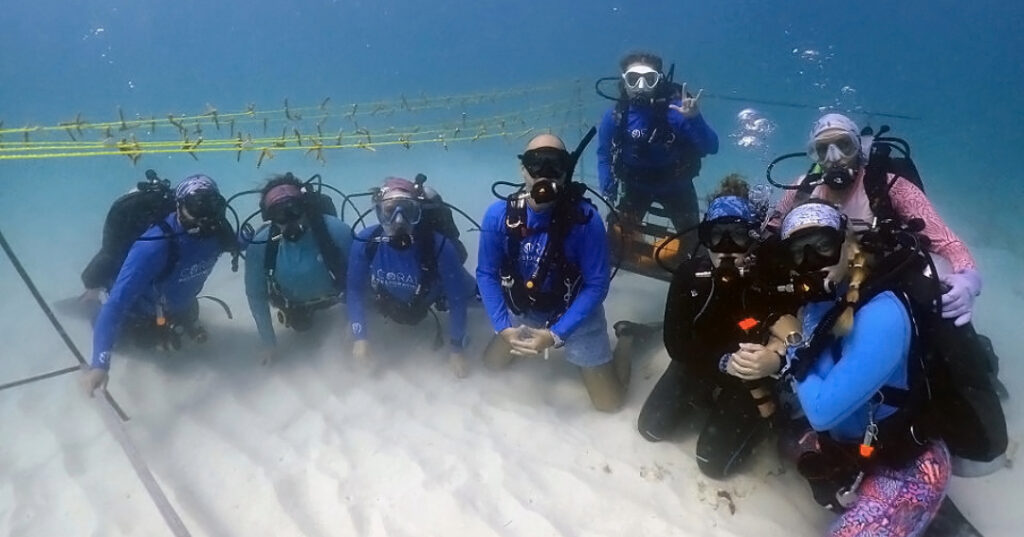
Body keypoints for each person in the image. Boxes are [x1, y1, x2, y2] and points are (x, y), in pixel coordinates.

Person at [744, 201, 952, 536]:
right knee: (781, 438)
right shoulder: (819, 303)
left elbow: (823, 411)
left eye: (824, 246)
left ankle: (938, 516)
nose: (812, 261)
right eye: (800, 252)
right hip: (850, 448)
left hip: (903, 461)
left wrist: (792, 347)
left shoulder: (882, 315)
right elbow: (818, 372)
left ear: (848, 244)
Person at [638, 175, 793, 478]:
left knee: (712, 466)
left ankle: (751, 418)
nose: (726, 248)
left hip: (751, 375)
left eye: (738, 237)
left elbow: (796, 329)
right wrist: (722, 362)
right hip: (701, 361)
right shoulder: (688, 274)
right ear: (703, 238)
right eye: (715, 236)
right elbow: (675, 342)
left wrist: (774, 359)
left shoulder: (771, 275)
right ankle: (704, 396)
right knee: (650, 430)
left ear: (754, 237)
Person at [772, 113, 981, 327]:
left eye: (844, 145)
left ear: (859, 147)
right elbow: (771, 231)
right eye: (823, 149)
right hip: (817, 287)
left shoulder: (891, 187)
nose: (834, 157)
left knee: (945, 328)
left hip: (883, 282)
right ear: (814, 154)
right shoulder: (801, 190)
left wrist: (968, 279)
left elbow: (946, 241)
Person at [477, 133, 628, 412]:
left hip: (575, 310)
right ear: (523, 169)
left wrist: (556, 334)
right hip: (526, 308)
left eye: (554, 165)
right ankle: (522, 337)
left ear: (566, 171)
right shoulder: (498, 214)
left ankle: (629, 340)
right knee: (490, 365)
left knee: (610, 405)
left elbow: (597, 285)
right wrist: (502, 326)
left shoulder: (586, 219)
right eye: (536, 164)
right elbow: (486, 273)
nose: (544, 174)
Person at [81, 175, 233, 395]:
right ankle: (90, 301)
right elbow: (116, 306)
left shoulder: (219, 236)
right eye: (196, 207)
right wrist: (100, 365)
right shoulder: (153, 246)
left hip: (180, 307)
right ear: (179, 206)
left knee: (188, 323)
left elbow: (246, 243)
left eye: (212, 207)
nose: (205, 219)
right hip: (137, 313)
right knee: (137, 343)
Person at [346, 177, 476, 378]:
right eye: (390, 211)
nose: (399, 221)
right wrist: (360, 337)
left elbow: (457, 300)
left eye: (408, 211)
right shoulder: (365, 241)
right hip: (392, 301)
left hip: (434, 297)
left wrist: (456, 349)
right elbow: (354, 290)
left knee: (478, 299)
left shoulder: (440, 246)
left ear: (419, 213)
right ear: (379, 213)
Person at [597, 51, 719, 245]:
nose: (641, 87)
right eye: (633, 79)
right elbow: (603, 155)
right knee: (615, 241)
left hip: (677, 187)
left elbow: (712, 147)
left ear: (659, 81)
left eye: (649, 79)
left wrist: (695, 119)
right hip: (636, 187)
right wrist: (607, 189)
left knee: (694, 244)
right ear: (624, 82)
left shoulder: (677, 112)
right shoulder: (616, 116)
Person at [244, 173, 353, 366]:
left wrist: (358, 325)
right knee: (301, 326)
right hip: (295, 305)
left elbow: (360, 275)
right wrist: (269, 343)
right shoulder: (260, 245)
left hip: (338, 296)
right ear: (269, 217)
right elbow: (255, 294)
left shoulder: (336, 230)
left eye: (294, 210)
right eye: (278, 214)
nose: (288, 220)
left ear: (306, 207)